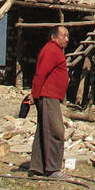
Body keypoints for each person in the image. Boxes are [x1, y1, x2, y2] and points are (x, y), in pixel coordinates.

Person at [28, 26, 69, 178]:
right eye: (63, 36)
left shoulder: (55, 50)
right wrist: (35, 94)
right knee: (55, 131)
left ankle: (37, 168)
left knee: (44, 131)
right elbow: (41, 74)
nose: (67, 39)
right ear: (53, 37)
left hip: (50, 96)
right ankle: (52, 169)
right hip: (48, 96)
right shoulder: (51, 50)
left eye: (67, 36)